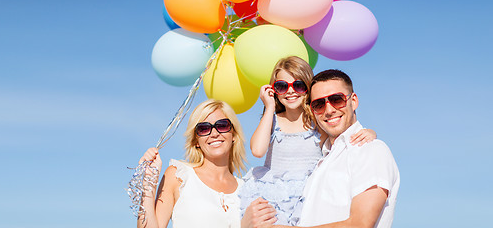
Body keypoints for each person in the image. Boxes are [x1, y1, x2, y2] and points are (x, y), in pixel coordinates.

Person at [243, 69, 400, 228]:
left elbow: (360, 223)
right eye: (318, 104)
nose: (329, 110)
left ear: (354, 101)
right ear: (312, 110)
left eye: (337, 99)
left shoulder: (369, 150)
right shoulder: (322, 162)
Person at [137, 99, 247, 228]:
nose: (214, 134)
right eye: (204, 128)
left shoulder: (247, 189)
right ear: (196, 141)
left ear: (233, 134)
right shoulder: (178, 176)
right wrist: (148, 184)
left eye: (222, 125)